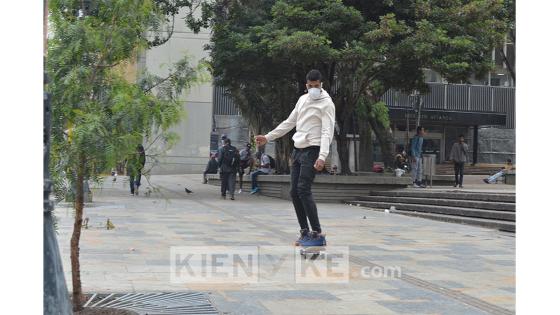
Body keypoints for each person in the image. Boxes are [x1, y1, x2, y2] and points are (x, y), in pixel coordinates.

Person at [255, 69, 335, 247]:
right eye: (310, 85)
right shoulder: (302, 99)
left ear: (321, 85)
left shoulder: (327, 104)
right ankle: (304, 232)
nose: (313, 88)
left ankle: (317, 233)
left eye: (317, 85)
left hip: (312, 150)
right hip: (297, 150)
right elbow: (289, 122)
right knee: (294, 192)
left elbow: (327, 131)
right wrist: (267, 137)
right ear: (306, 85)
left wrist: (322, 156)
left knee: (303, 189)